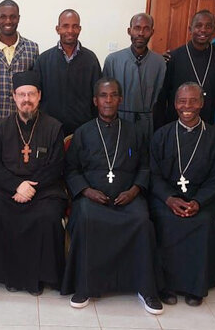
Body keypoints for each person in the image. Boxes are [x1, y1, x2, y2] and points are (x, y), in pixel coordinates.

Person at [62, 78, 163, 314]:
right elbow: (71, 169)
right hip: (92, 198)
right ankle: (84, 286)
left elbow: (145, 167)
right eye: (103, 96)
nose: (108, 101)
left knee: (141, 221)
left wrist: (135, 190)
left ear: (120, 99)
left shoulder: (135, 132)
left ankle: (145, 288)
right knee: (86, 219)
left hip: (127, 197)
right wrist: (86, 191)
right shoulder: (83, 132)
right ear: (95, 101)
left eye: (113, 95)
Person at [0, 71, 66, 295]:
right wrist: (17, 186)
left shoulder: (54, 127)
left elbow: (56, 166)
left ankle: (40, 275)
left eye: (31, 94)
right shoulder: (1, 127)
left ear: (39, 96)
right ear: (14, 97)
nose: (26, 99)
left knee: (47, 216)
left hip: (44, 190)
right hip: (8, 189)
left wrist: (31, 188)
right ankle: (6, 273)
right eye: (21, 94)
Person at [149, 82, 215, 306]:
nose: (187, 106)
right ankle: (166, 286)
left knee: (202, 222)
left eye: (193, 101)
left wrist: (198, 201)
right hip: (167, 197)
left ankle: (196, 287)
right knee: (166, 220)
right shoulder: (162, 135)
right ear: (174, 104)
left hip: (202, 198)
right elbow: (153, 174)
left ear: (202, 103)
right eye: (182, 101)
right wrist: (169, 198)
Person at [0, 0, 40, 137]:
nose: (8, 21)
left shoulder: (31, 48)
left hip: (23, 125)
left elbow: (35, 89)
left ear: (18, 18)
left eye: (13, 16)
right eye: (3, 16)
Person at [33, 9, 101, 136]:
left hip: (82, 131)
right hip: (49, 131)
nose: (70, 30)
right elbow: (37, 98)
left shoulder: (91, 59)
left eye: (75, 26)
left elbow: (96, 98)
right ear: (57, 29)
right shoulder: (43, 60)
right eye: (65, 26)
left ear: (80, 29)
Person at [103, 13, 166, 145]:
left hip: (147, 124)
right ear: (129, 30)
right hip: (118, 122)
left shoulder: (159, 62)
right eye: (137, 28)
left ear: (152, 31)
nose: (141, 33)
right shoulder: (113, 60)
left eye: (146, 28)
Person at [156, 10, 215, 127]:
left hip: (208, 121)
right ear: (190, 29)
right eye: (198, 26)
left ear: (214, 30)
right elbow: (162, 98)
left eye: (208, 26)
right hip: (176, 121)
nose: (203, 30)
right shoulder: (174, 57)